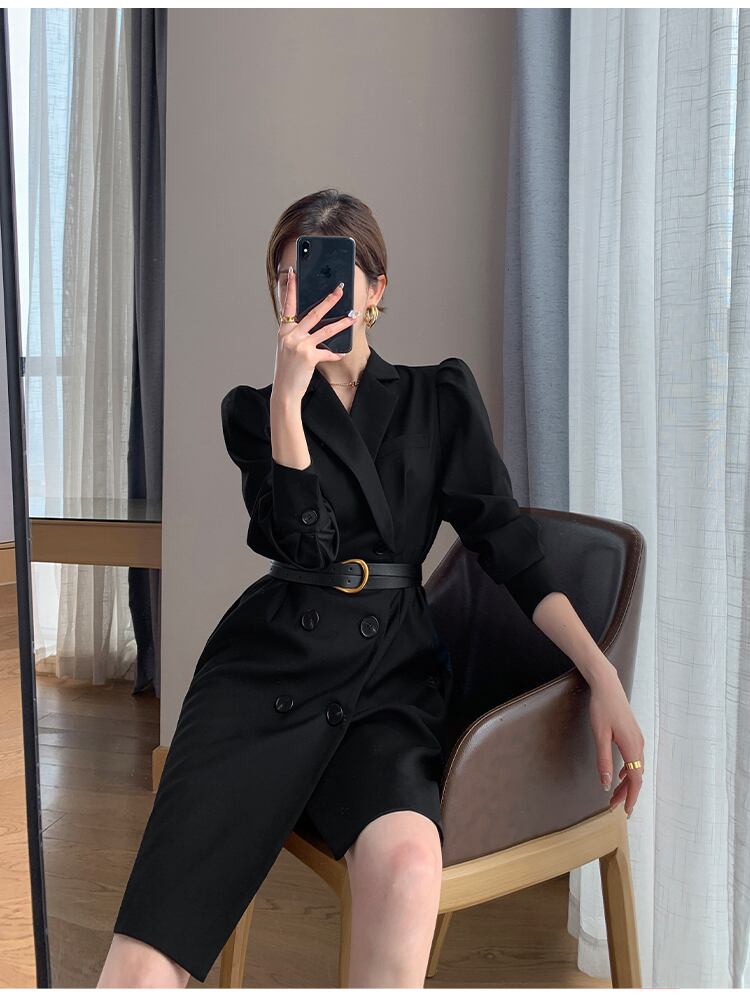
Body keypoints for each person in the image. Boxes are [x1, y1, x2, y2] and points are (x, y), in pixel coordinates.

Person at [97, 189, 644, 988]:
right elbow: (303, 545)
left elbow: (511, 550)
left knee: (410, 862)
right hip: (266, 673)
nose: (302, 290)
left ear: (376, 287)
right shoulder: (254, 412)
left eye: (324, 271)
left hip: (386, 681)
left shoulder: (439, 397)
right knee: (146, 959)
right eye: (287, 275)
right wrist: (290, 402)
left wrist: (602, 674)